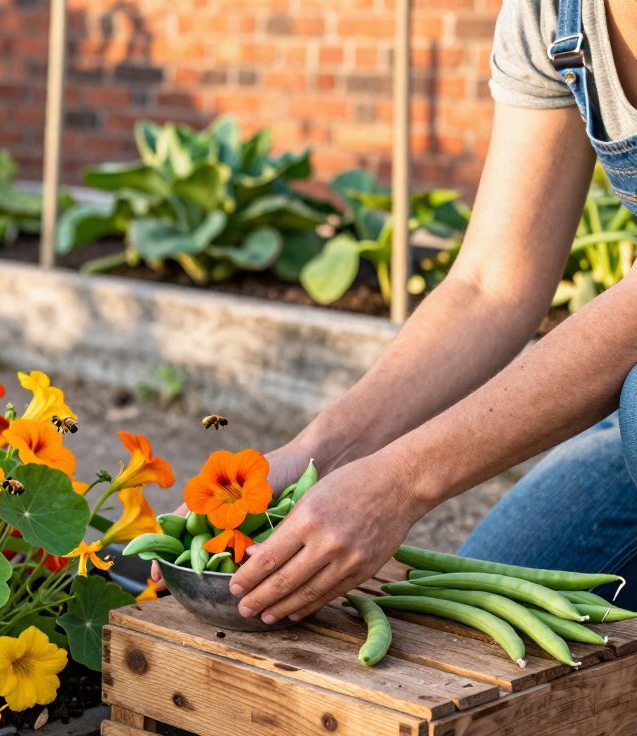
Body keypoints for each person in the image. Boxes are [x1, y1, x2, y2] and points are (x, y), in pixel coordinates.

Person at [173, 0, 637, 626]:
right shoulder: (553, 16)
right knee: (487, 611)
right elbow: (489, 285)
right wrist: (319, 456)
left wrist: (400, 481)